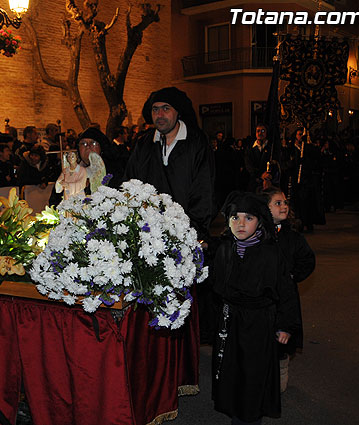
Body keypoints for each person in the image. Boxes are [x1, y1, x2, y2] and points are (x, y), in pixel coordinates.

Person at [124, 87, 214, 395]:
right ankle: (153, 372)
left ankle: (180, 373)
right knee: (148, 305)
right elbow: (130, 187)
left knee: (178, 307)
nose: (160, 115)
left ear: (177, 112)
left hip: (183, 238)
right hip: (148, 239)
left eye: (165, 109)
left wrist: (193, 235)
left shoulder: (197, 144)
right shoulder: (142, 145)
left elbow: (204, 192)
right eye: (155, 110)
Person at [212, 192, 301, 425]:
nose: (240, 224)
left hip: (259, 323)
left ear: (259, 221)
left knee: (253, 376)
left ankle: (248, 419)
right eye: (234, 218)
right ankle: (237, 413)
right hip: (231, 322)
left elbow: (287, 291)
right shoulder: (223, 249)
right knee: (232, 374)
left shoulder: (271, 253)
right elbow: (215, 287)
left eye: (248, 218)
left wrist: (285, 325)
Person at [262, 186, 315, 392]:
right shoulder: (257, 234)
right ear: (265, 208)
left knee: (282, 343)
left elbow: (308, 260)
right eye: (278, 203)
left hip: (285, 298)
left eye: (285, 202)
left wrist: (293, 276)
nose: (284, 206)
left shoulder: (292, 236)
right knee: (264, 340)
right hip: (263, 298)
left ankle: (281, 373)